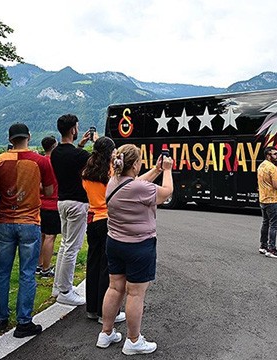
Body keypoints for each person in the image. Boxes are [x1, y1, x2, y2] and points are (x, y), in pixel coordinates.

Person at [96, 144, 173, 355]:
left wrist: (156, 170)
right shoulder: (139, 189)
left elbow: (136, 183)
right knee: (135, 293)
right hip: (139, 246)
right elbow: (166, 192)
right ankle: (133, 340)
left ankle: (106, 333)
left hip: (115, 243)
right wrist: (166, 170)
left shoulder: (113, 182)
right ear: (136, 164)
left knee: (114, 288)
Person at [0, 123, 56, 338]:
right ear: (29, 136)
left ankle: (0, 318)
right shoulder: (41, 161)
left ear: (9, 139)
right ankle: (24, 321)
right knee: (27, 273)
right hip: (29, 221)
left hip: (4, 221)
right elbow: (49, 190)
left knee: (2, 271)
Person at [50, 114, 95, 306]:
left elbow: (72, 158)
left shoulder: (56, 152)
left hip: (62, 202)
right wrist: (96, 142)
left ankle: (58, 287)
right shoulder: (80, 156)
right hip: (78, 203)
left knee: (64, 245)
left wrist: (81, 145)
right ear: (74, 130)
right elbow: (99, 164)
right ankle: (66, 290)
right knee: (72, 248)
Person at [81, 136, 125, 324]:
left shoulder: (86, 172)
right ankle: (105, 312)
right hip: (108, 219)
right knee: (107, 267)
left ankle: (91, 308)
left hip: (92, 219)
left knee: (93, 263)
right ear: (109, 152)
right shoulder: (112, 172)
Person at [37, 136, 60, 278]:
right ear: (54, 146)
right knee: (51, 237)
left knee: (41, 235)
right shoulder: (57, 162)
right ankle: (46, 268)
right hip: (53, 203)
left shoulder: (39, 162)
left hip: (40, 203)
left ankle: (38, 265)